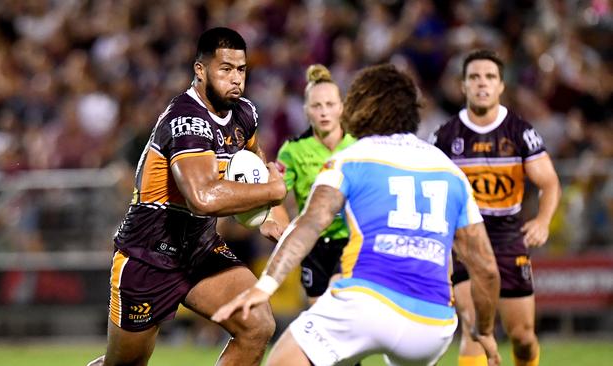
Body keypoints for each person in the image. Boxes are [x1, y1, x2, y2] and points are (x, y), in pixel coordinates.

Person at [212, 64, 502, 366]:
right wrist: (484, 330)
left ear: (362, 107)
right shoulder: (450, 171)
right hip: (433, 324)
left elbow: (309, 224)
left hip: (368, 304)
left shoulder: (350, 159)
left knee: (281, 362)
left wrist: (264, 286)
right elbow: (487, 268)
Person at [87, 27, 287, 366]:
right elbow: (202, 197)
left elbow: (254, 159)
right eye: (225, 69)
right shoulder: (186, 120)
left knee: (257, 324)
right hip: (149, 255)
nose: (235, 79)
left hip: (199, 246)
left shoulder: (244, 113)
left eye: (241, 70)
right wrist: (271, 191)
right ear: (200, 70)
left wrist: (267, 213)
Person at [431, 49, 562, 366]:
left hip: (507, 238)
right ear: (463, 86)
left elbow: (550, 183)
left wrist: (543, 220)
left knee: (522, 337)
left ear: (501, 86)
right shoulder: (445, 137)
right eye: (474, 77)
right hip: (465, 241)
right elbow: (432, 191)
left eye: (489, 77)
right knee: (475, 328)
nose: (482, 84)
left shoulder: (520, 132)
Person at [274, 64, 356, 305]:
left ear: (342, 107)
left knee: (338, 299)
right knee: (318, 315)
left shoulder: (360, 146)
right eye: (316, 106)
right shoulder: (293, 150)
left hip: (351, 241)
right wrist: (280, 226)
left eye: (330, 105)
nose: (324, 112)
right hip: (314, 244)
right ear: (306, 110)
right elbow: (274, 195)